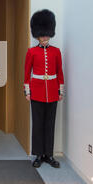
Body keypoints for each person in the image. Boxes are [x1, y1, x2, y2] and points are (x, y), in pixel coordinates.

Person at [24, 9, 64, 169]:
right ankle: (39, 154)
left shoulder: (56, 52)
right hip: (37, 91)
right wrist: (28, 91)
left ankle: (49, 154)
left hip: (53, 91)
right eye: (42, 35)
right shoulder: (31, 52)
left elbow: (59, 71)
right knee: (38, 124)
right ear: (37, 35)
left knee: (50, 123)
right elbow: (27, 73)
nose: (45, 38)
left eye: (46, 35)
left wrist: (60, 90)